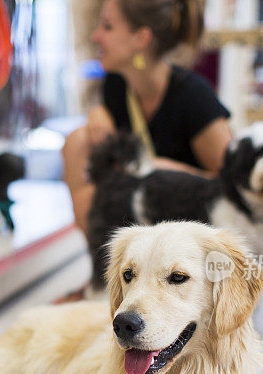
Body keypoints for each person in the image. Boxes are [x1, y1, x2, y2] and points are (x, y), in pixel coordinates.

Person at [63, 0, 232, 235]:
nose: (96, 36)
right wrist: (97, 114)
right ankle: (106, 257)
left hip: (194, 233)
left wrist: (166, 171)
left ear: (141, 38)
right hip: (142, 222)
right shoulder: (116, 84)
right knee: (77, 141)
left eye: (107, 26)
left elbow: (233, 185)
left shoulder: (194, 97)